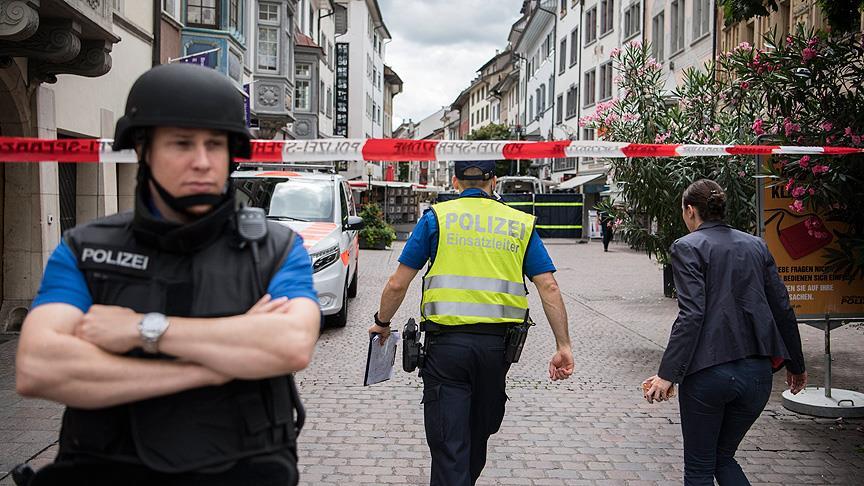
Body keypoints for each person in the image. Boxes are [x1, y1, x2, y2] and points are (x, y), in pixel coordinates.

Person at [15, 63, 320, 486]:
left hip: (243, 469)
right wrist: (216, 365)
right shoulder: (86, 249)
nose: (202, 162)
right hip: (106, 469)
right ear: (143, 149)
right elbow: (39, 366)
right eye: (181, 144)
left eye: (215, 145)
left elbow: (290, 346)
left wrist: (143, 330)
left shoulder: (275, 249)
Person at [368, 160, 575, 486]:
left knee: (451, 444)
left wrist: (382, 322)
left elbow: (397, 283)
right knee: (478, 436)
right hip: (497, 351)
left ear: (455, 181)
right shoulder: (518, 223)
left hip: (446, 350)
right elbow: (548, 285)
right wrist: (563, 345)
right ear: (494, 180)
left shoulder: (436, 219)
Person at [643, 179, 807, 486]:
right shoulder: (756, 245)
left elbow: (692, 314)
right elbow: (782, 308)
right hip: (757, 376)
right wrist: (796, 365)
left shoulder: (687, 246)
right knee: (723, 457)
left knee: (700, 468)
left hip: (709, 374)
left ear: (690, 210)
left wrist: (668, 375)